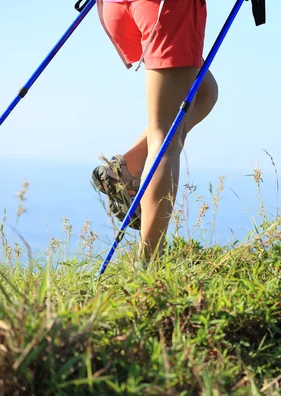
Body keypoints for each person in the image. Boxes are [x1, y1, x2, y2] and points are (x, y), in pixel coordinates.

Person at [91, 0, 218, 266]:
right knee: (165, 138)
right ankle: (149, 264)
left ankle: (127, 169)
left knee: (204, 94)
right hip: (167, 9)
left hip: (118, 6)